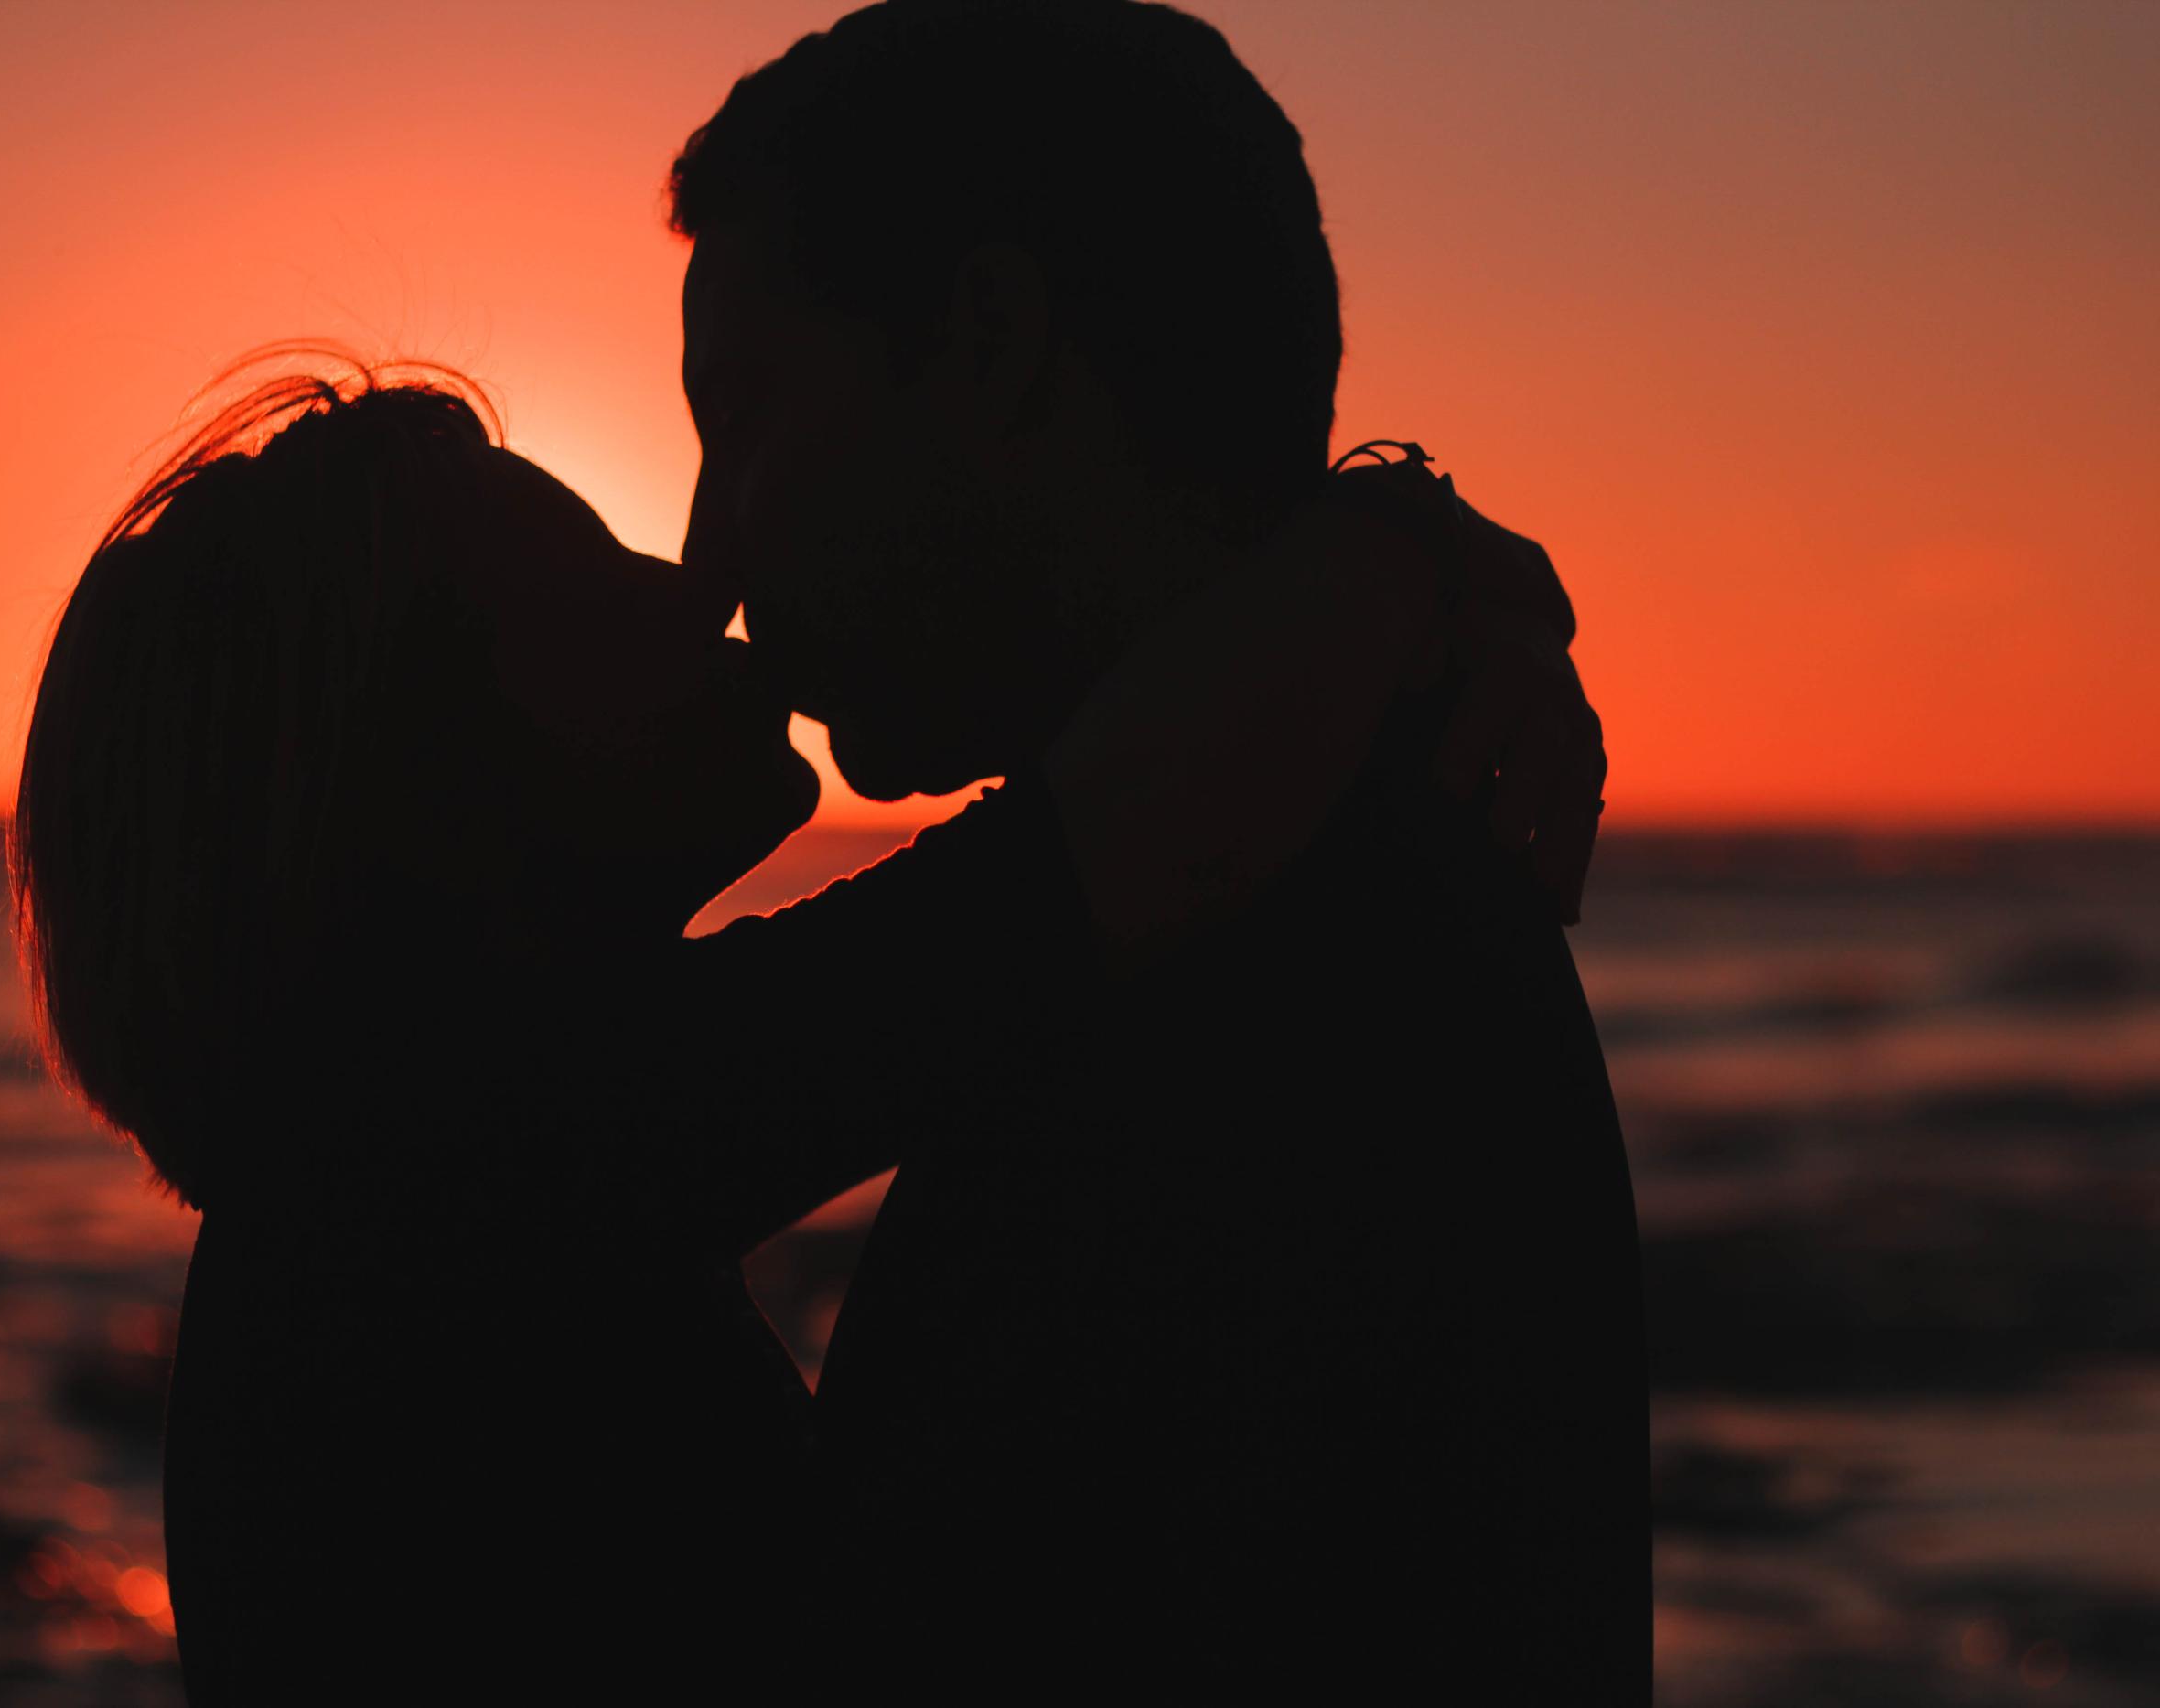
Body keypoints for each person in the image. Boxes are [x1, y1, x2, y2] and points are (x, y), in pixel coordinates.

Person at [10, 345, 1596, 1692]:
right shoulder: (440, 1173)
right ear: (420, 763)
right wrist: (1403, 540)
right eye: (592, 568)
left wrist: (1436, 563)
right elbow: (1103, 844)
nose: (697, 583)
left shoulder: (392, 1176)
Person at [670, 0, 1649, 1695]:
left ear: (990, 343)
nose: (705, 558)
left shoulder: (1271, 997)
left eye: (742, 415)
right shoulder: (1285, 899)